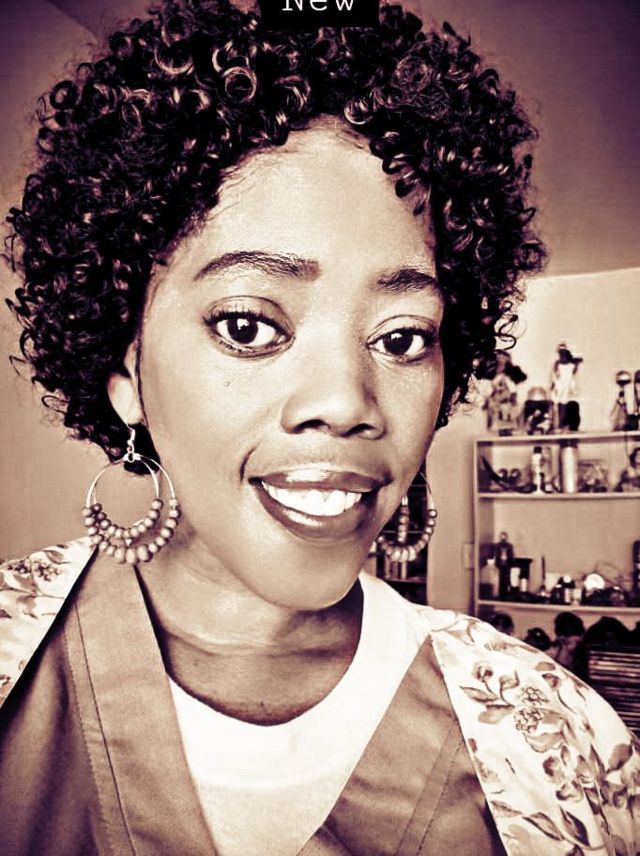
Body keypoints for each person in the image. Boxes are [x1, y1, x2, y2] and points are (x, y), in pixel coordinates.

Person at [1, 1, 638, 854]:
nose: (346, 402)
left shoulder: (558, 744)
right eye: (249, 325)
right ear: (127, 377)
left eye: (402, 338)